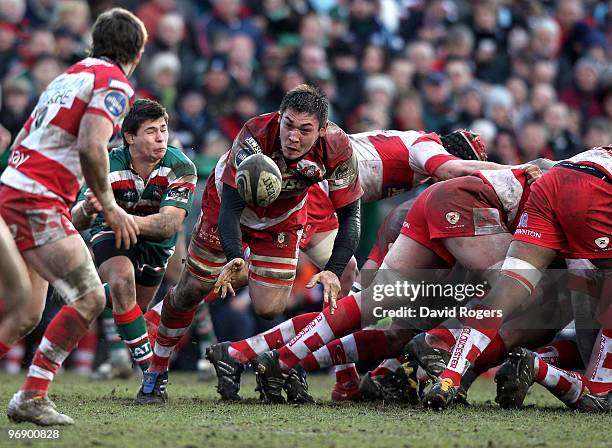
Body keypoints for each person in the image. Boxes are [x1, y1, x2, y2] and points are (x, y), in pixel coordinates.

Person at [136, 84, 363, 404]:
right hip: (228, 209)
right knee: (192, 291)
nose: (293, 137)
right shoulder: (254, 136)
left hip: (283, 218)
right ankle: (156, 371)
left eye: (305, 130)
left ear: (322, 130)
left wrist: (334, 271)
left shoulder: (338, 147)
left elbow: (351, 217)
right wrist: (233, 256)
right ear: (279, 118)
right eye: (288, 125)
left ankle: (257, 352)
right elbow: (230, 208)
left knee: (269, 307)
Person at [0, 8, 147, 425]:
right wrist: (110, 204)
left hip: (17, 188)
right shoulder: (115, 83)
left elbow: (40, 138)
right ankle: (32, 396)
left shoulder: (68, 76)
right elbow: (90, 145)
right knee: (90, 297)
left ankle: (31, 395)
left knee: (25, 313)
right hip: (36, 199)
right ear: (135, 52)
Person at [423, 146, 612, 411]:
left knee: (506, 291)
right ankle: (597, 386)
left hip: (553, 182)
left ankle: (450, 376)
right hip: (593, 188)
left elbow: (546, 164)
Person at [71, 99, 196, 375]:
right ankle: (151, 373)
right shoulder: (106, 164)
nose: (161, 137)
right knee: (121, 280)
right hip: (111, 232)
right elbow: (77, 219)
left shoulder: (182, 167)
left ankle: (88, 293)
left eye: (163, 129)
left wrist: (126, 220)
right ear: (130, 137)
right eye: (151, 131)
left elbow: (169, 224)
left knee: (133, 307)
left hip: (156, 242)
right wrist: (87, 208)